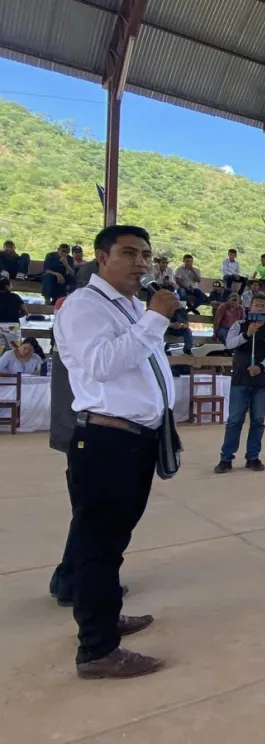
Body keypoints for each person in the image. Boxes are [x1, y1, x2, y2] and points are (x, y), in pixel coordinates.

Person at [54, 223, 180, 679]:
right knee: (98, 547)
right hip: (106, 441)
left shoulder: (126, 306)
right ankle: (97, 650)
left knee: (112, 542)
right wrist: (156, 319)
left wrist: (148, 319)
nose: (141, 263)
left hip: (133, 439)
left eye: (145, 254)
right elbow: (102, 366)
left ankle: (104, 618)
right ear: (101, 257)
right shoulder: (85, 307)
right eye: (129, 253)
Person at [214, 293, 265, 473]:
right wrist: (247, 334)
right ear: (250, 308)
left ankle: (253, 457)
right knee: (235, 420)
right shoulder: (239, 325)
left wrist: (261, 367)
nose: (260, 308)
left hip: (263, 381)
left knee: (258, 420)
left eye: (263, 305)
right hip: (240, 380)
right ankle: (226, 458)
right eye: (256, 305)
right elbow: (229, 345)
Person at [0, 276, 27, 350]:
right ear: (7, 286)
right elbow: (25, 311)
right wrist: (15, 315)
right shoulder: (15, 297)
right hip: (13, 326)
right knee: (15, 351)